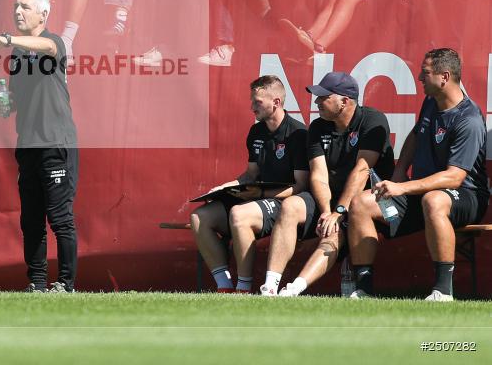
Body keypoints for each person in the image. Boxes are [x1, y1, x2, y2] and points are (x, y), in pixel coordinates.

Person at [347, 49, 489, 301]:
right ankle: (364, 291)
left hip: (465, 196)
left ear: (444, 77)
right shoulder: (431, 102)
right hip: (420, 191)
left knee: (434, 200)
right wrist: (401, 171)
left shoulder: (469, 119)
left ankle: (443, 291)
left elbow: (454, 177)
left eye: (425, 73)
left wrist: (402, 188)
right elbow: (416, 134)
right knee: (360, 203)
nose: (419, 78)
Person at [0, 0, 80, 293]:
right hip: (29, 145)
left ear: (43, 14)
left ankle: (65, 284)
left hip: (55, 143)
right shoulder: (19, 54)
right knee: (31, 220)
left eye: (25, 7)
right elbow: (17, 100)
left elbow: (47, 46)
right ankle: (36, 284)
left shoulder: (55, 42)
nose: (18, 12)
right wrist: (6, 105)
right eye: (15, 7)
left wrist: (7, 38)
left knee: (60, 218)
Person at [258, 72, 394, 296]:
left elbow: (362, 171)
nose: (317, 102)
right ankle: (270, 287)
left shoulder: (373, 120)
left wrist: (338, 212)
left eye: (324, 97)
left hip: (364, 200)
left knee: (335, 230)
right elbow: (319, 175)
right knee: (291, 206)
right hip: (328, 200)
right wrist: (325, 212)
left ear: (344, 101)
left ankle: (294, 289)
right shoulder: (318, 127)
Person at [191, 75, 308, 293]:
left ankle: (243, 288)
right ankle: (224, 287)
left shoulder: (298, 134)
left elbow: (301, 184)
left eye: (257, 102)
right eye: (252, 101)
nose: (252, 107)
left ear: (276, 102)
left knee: (238, 214)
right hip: (256, 197)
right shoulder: (256, 131)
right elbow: (251, 174)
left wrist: (263, 192)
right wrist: (227, 186)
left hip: (285, 201)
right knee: (199, 217)